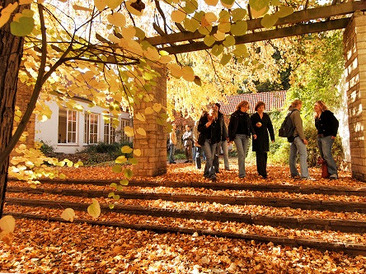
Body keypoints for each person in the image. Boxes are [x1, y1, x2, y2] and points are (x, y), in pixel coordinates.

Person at [228, 101, 257, 178]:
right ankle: (242, 174)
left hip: (246, 136)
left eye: (247, 107)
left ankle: (242, 171)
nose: (246, 108)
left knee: (243, 155)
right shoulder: (234, 115)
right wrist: (230, 138)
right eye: (244, 106)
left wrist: (253, 133)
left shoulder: (247, 116)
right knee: (241, 154)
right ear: (240, 106)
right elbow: (230, 127)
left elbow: (250, 126)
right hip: (237, 136)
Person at [288, 99, 314, 180]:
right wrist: (303, 138)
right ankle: (305, 175)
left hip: (292, 138)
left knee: (292, 156)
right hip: (297, 137)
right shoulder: (296, 113)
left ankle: (294, 173)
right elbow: (298, 127)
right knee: (303, 155)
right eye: (301, 105)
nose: (301, 106)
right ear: (298, 104)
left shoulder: (290, 113)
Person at [314, 100, 339, 179]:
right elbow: (317, 127)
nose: (315, 107)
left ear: (321, 106)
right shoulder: (317, 116)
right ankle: (327, 172)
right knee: (323, 155)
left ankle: (333, 173)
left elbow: (335, 123)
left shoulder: (327, 114)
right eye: (314, 106)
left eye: (316, 105)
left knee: (327, 154)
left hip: (327, 136)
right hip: (320, 137)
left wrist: (334, 134)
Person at [251, 101, 275, 179]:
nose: (261, 109)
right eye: (259, 108)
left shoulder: (266, 116)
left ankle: (264, 169)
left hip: (265, 136)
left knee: (264, 153)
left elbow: (270, 126)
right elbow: (250, 126)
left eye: (262, 108)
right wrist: (255, 127)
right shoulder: (254, 116)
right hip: (257, 136)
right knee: (259, 153)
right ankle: (261, 172)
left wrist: (272, 137)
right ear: (257, 108)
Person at [197, 107, 221, 181]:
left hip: (213, 141)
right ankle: (212, 174)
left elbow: (219, 131)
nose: (212, 117)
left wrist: (217, 140)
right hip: (205, 140)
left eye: (214, 116)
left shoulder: (216, 121)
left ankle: (206, 173)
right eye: (211, 115)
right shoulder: (203, 118)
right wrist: (206, 126)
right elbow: (199, 129)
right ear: (208, 114)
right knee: (209, 156)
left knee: (211, 158)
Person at [213, 103, 230, 172]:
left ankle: (227, 167)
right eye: (214, 107)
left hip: (223, 137)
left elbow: (223, 126)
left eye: (216, 107)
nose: (215, 108)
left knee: (225, 153)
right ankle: (216, 168)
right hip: (216, 138)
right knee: (217, 153)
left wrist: (227, 136)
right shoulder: (211, 116)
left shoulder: (221, 116)